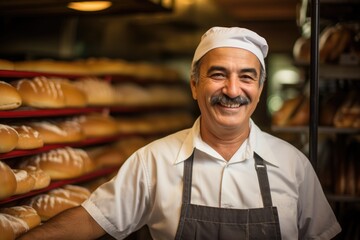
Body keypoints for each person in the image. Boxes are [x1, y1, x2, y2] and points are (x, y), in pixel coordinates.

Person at [18, 26, 341, 240]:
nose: (232, 90)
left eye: (246, 77)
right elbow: (91, 220)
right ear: (194, 84)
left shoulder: (292, 164)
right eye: (218, 75)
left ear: (259, 88)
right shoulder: (153, 160)